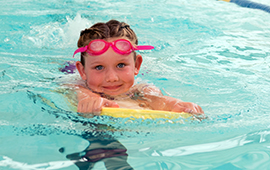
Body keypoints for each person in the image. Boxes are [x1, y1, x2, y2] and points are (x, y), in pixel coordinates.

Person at [72, 19, 204, 116]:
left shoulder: (141, 89)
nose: (112, 78)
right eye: (99, 67)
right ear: (82, 71)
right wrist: (88, 98)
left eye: (121, 65)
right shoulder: (79, 85)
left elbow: (156, 99)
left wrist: (176, 105)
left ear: (136, 65)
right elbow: (76, 90)